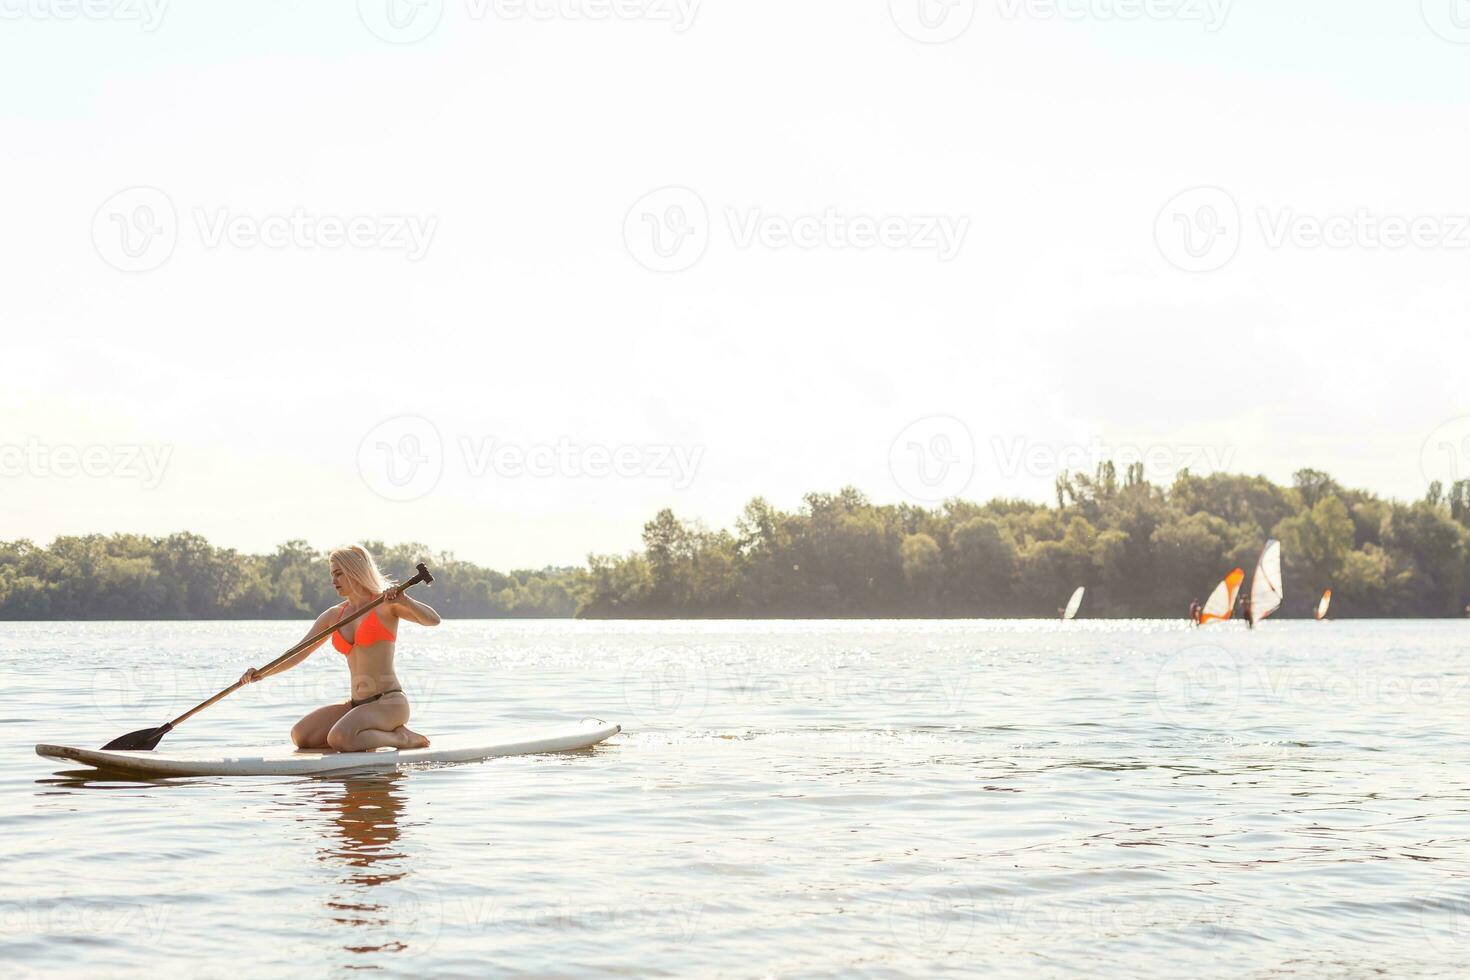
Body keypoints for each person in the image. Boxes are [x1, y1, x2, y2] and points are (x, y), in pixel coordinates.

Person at [239, 545, 440, 751]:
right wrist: (262, 673)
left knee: (339, 738)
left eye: (338, 574)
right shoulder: (333, 616)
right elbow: (298, 652)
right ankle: (361, 736)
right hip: (356, 705)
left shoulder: (385, 605)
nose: (333, 581)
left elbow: (433, 620)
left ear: (354, 572)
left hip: (389, 703)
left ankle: (402, 739)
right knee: (301, 736)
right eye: (331, 575)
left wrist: (405, 600)